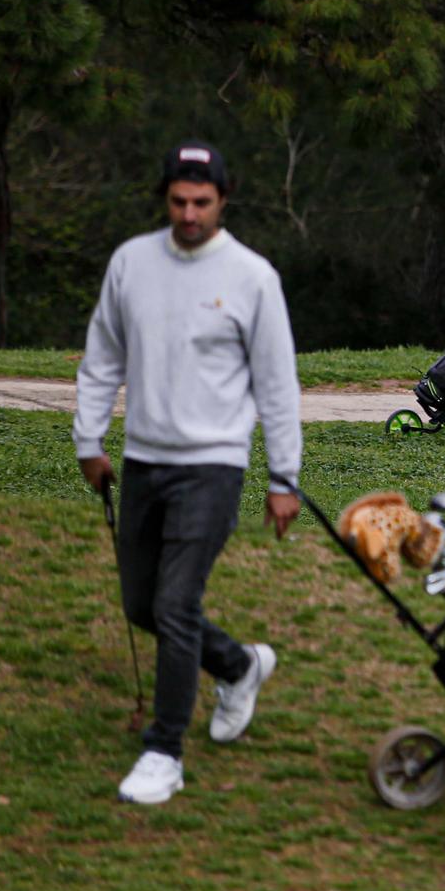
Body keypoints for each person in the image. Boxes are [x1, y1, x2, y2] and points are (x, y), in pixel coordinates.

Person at [73, 142, 304, 805]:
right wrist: (89, 438)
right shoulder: (132, 263)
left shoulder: (252, 276)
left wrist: (283, 477)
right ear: (165, 199)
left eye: (202, 202)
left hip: (214, 465)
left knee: (176, 604)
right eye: (179, 201)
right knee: (141, 603)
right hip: (145, 459)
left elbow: (278, 384)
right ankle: (239, 665)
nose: (190, 213)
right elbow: (102, 357)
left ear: (223, 201)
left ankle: (163, 750)